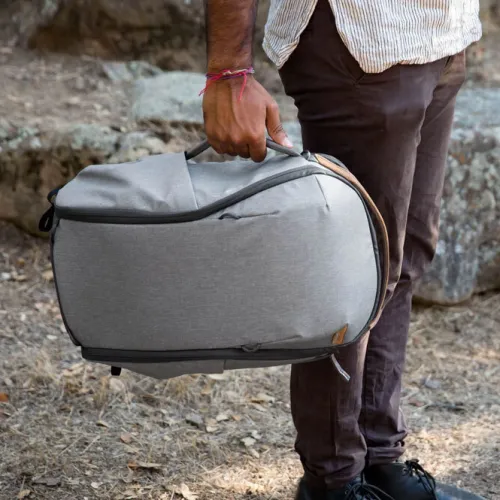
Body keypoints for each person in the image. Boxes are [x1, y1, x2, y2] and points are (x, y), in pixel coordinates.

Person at [202, 0, 484, 499]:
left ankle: (378, 462)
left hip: (442, 29)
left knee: (403, 255)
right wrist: (229, 70)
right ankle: (333, 480)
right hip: (361, 37)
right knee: (353, 271)